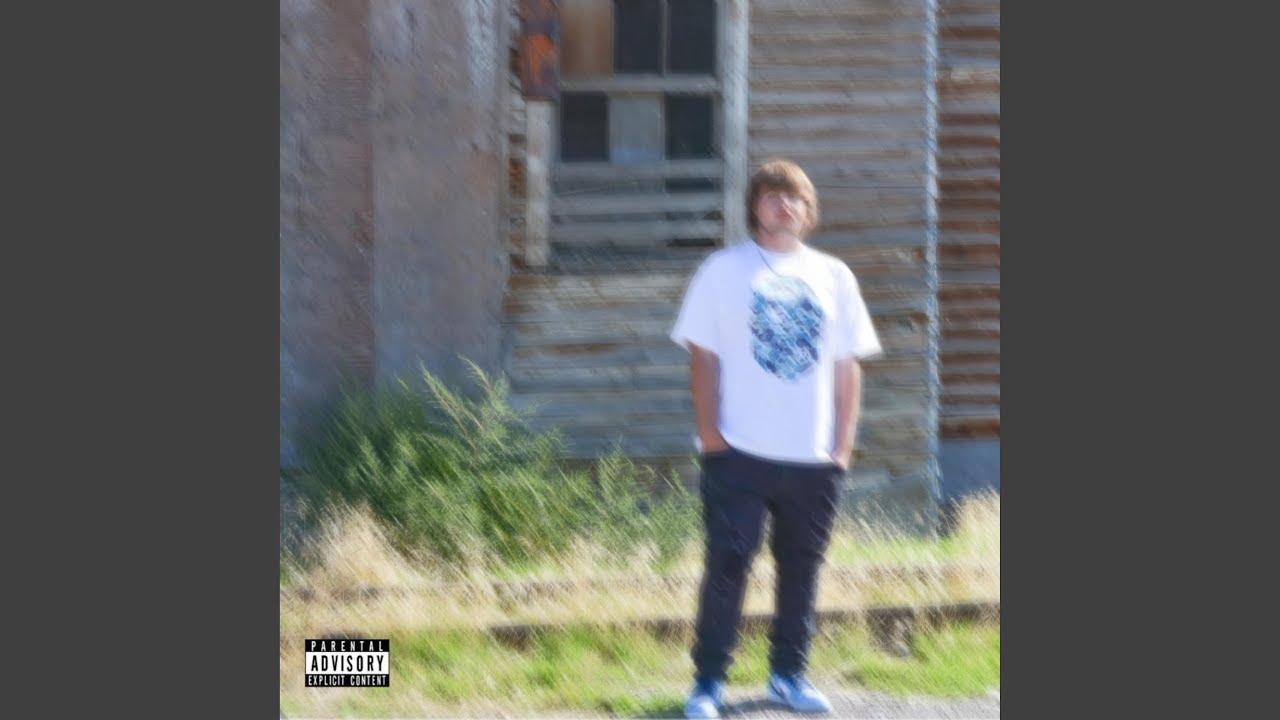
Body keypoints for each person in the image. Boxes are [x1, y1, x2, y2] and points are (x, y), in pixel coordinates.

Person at [669, 159, 883, 718]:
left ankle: (788, 675)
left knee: (802, 567)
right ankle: (708, 683)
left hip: (812, 457)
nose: (783, 205)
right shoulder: (723, 271)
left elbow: (847, 366)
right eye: (771, 195)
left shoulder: (834, 276)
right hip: (737, 452)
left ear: (808, 211)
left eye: (794, 197)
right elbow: (702, 357)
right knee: (727, 564)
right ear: (754, 207)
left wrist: (841, 448)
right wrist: (712, 437)